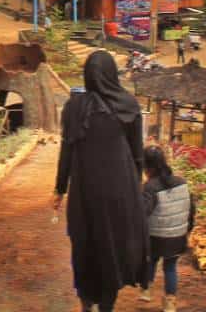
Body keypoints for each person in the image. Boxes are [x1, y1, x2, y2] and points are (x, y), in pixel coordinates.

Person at [54, 50, 149, 312]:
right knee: (112, 246)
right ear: (112, 73)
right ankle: (107, 305)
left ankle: (86, 303)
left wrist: (59, 189)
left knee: (84, 245)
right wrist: (135, 190)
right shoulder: (128, 105)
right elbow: (137, 154)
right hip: (120, 191)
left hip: (84, 193)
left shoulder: (74, 107)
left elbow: (66, 150)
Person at [138, 145, 195, 312]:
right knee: (170, 267)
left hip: (155, 237)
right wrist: (187, 229)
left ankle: (146, 289)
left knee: (151, 260)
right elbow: (191, 209)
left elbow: (144, 213)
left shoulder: (150, 187)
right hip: (177, 236)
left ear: (147, 167)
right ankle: (170, 303)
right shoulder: (182, 182)